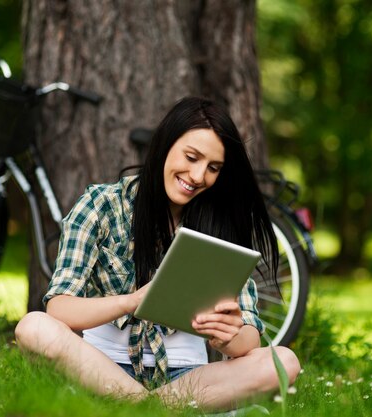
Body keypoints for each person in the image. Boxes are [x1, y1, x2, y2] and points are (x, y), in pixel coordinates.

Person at [15, 96, 300, 411]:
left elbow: (250, 338)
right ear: (165, 144)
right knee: (34, 327)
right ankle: (148, 407)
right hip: (100, 370)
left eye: (213, 168)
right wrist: (133, 301)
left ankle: (142, 408)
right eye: (191, 157)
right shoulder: (101, 205)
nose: (197, 176)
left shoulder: (221, 223)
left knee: (283, 361)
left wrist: (228, 336)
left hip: (188, 379)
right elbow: (59, 308)